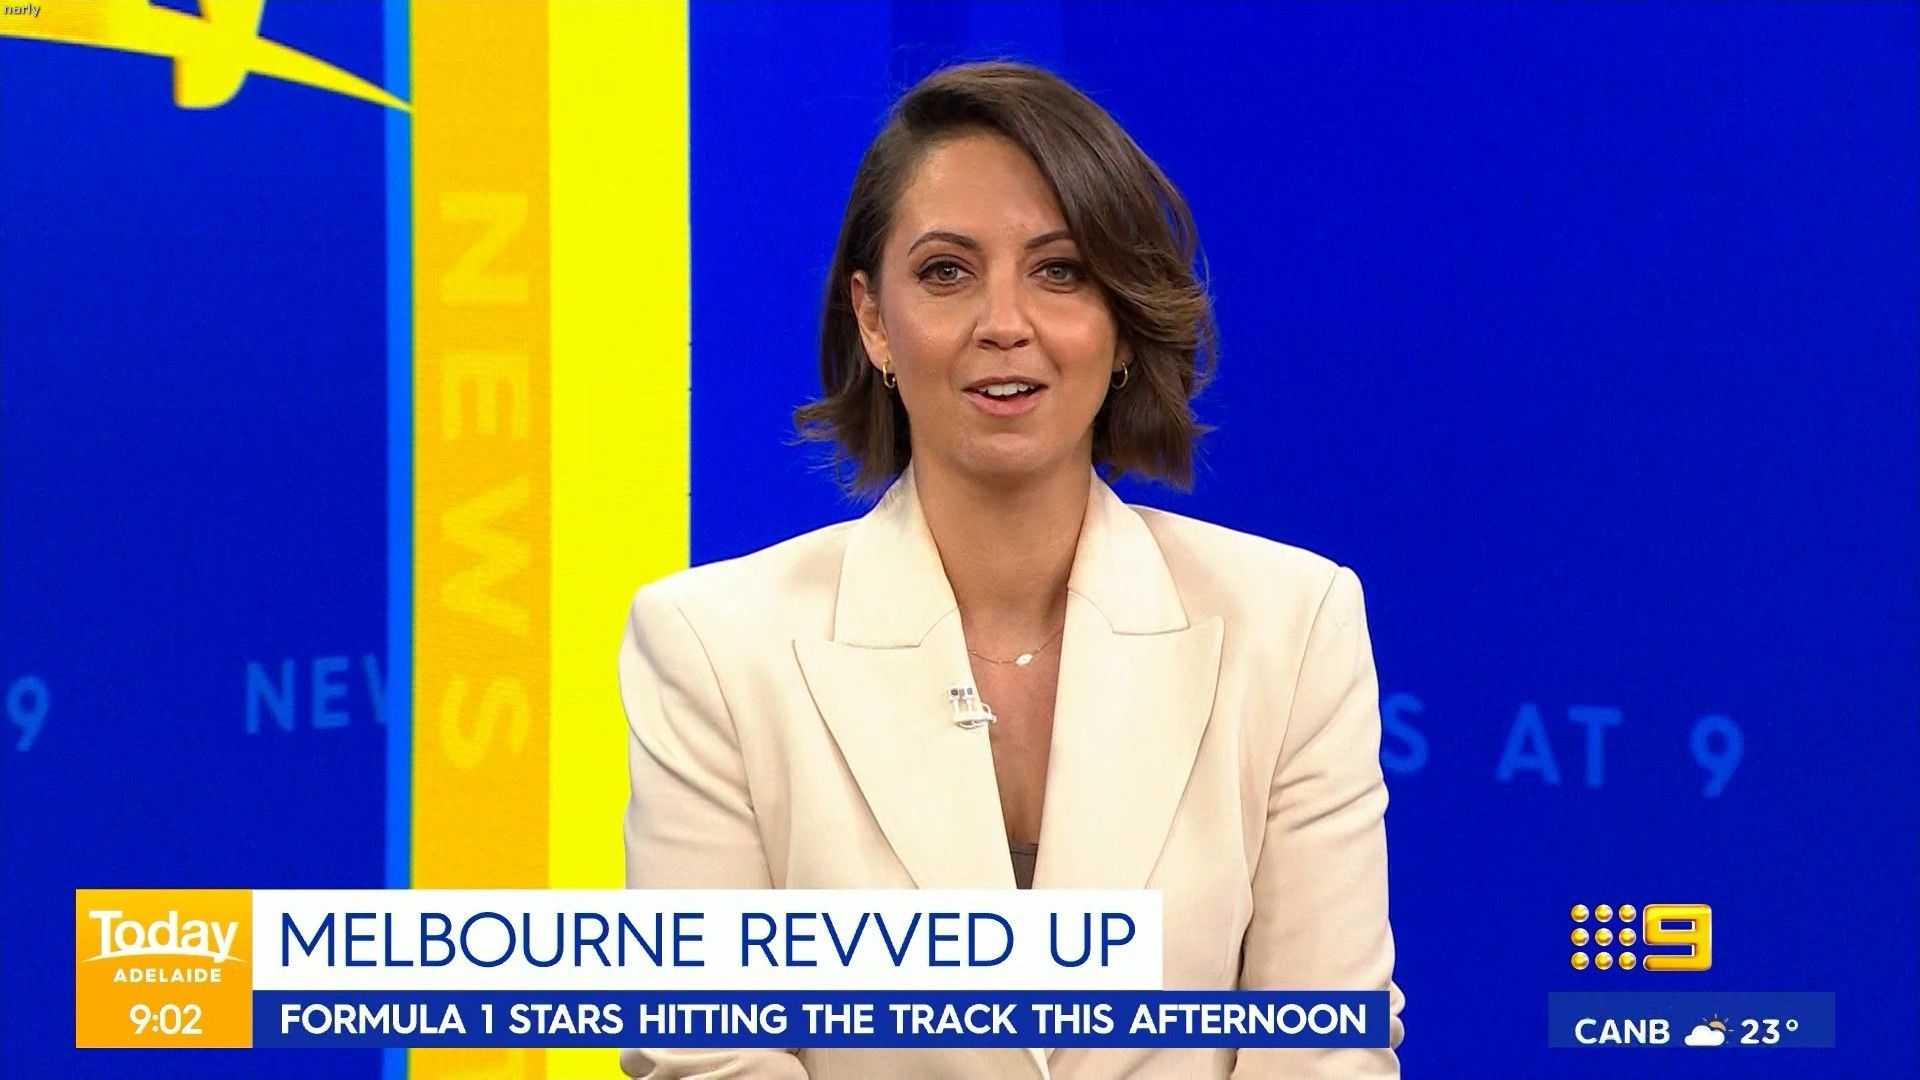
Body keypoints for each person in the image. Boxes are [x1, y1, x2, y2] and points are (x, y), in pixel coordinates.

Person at [619, 60, 1403, 1079]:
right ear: (872, 320)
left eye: (1060, 271)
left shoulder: (1291, 627)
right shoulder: (713, 649)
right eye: (947, 272)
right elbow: (705, 1053)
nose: (1004, 322)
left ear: (1121, 323)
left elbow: (1324, 1048)